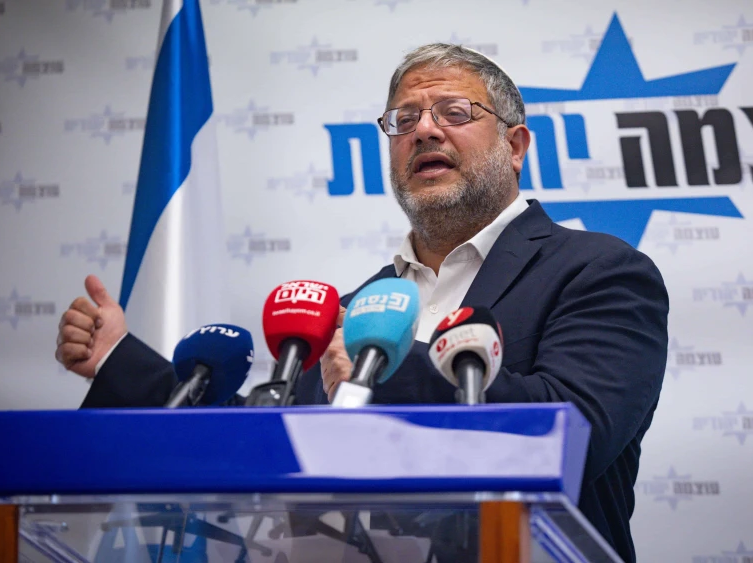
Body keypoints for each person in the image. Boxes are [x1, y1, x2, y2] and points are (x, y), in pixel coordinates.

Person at [55, 44, 669, 563]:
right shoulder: (356, 308)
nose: (424, 129)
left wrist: (393, 371)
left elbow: (577, 430)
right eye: (403, 119)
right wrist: (119, 361)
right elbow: (259, 441)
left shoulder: (598, 272)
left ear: (515, 145)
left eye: (454, 111)